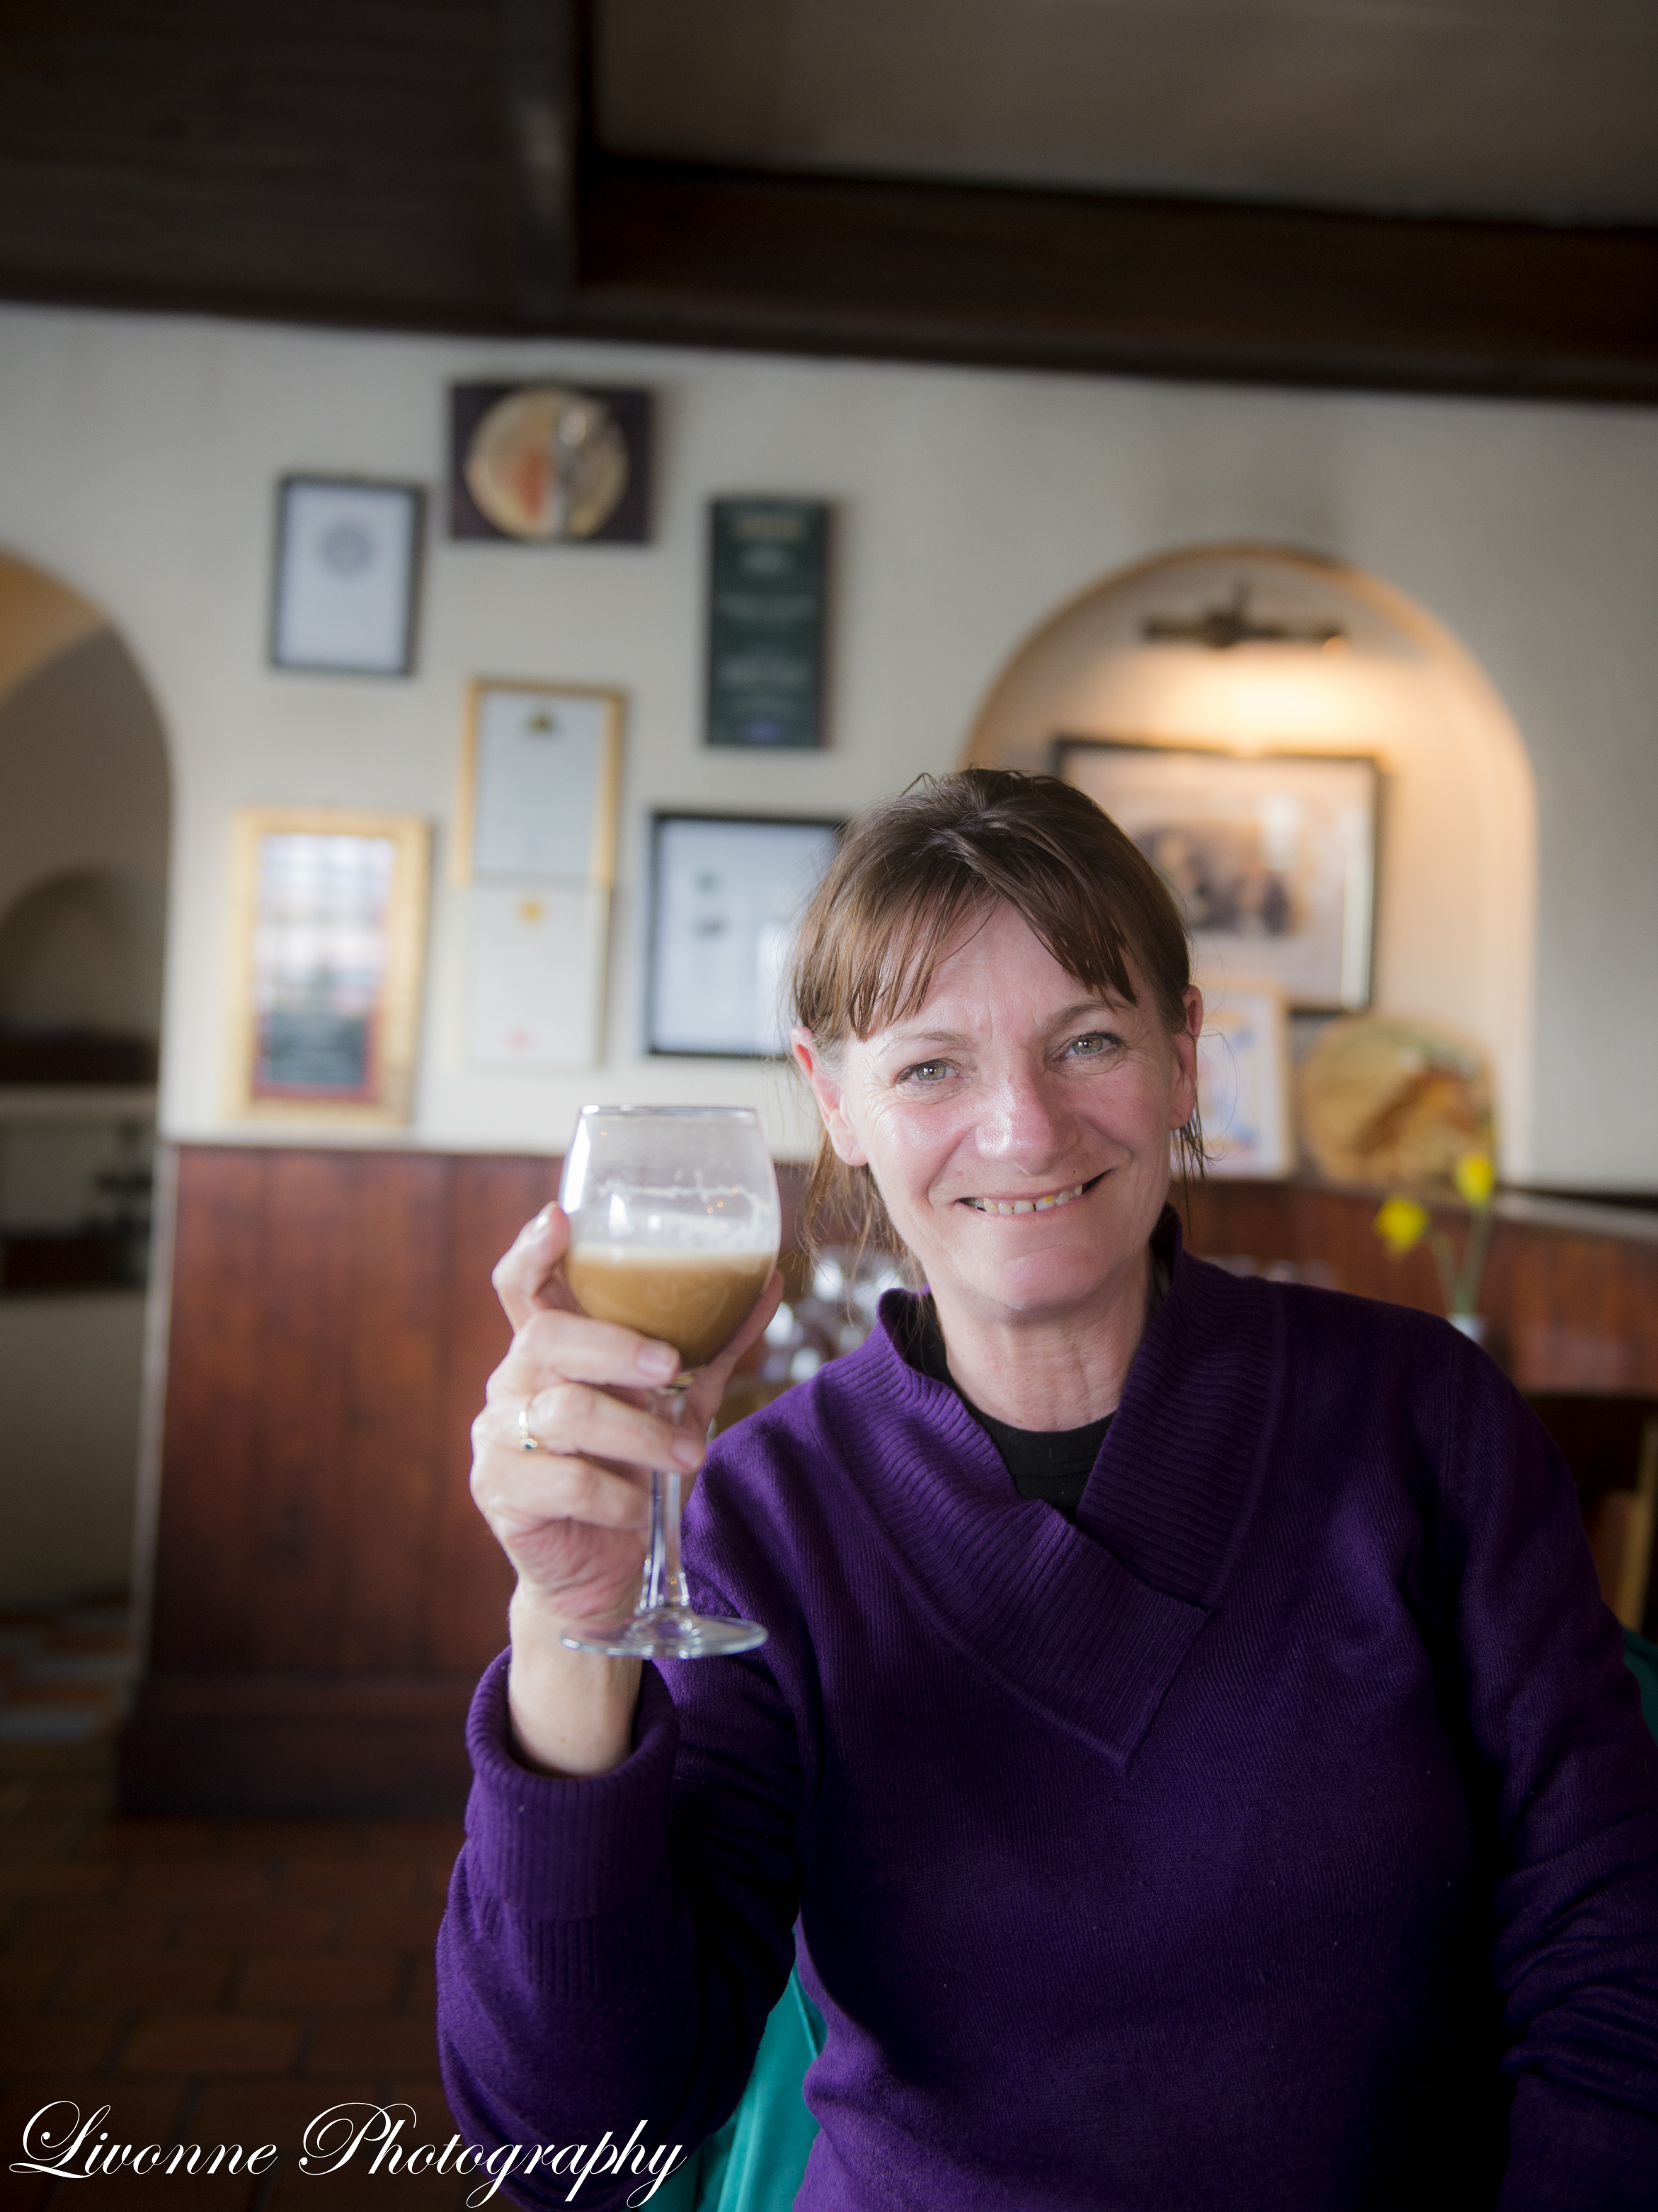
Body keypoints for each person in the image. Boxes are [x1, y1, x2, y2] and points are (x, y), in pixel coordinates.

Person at [439, 770, 1658, 2211]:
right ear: (833, 1100)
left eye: (1086, 1041)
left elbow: (1616, 1958)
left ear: (1183, 1056)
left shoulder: (1422, 1421)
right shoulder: (762, 1515)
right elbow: (573, 2133)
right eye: (930, 1067)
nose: (1023, 1127)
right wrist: (570, 1621)